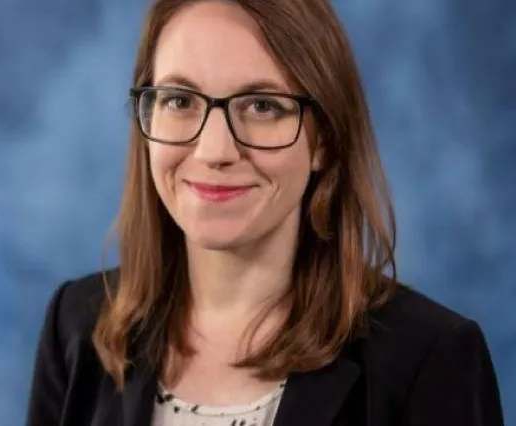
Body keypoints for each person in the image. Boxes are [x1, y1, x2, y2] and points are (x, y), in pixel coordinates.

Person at [25, 0, 505, 425]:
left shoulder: (432, 359)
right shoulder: (76, 325)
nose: (215, 150)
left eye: (262, 105)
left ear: (326, 142)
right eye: (178, 100)